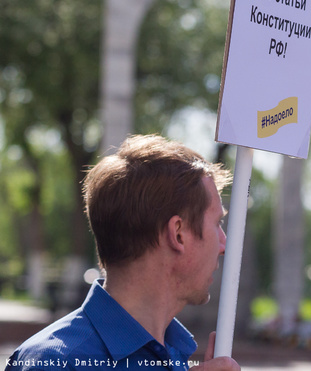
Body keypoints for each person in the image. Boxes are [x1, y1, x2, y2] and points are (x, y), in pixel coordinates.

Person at [6, 135, 241, 371]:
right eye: (217, 223)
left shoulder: (175, 352)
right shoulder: (52, 363)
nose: (224, 245)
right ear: (178, 234)